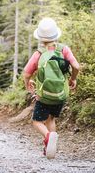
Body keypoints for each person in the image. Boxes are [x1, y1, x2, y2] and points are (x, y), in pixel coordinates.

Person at [22, 17, 80, 159]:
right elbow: (76, 66)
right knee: (51, 119)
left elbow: (26, 73)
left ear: (41, 38)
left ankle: (48, 137)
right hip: (60, 94)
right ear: (56, 35)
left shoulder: (39, 53)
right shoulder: (64, 50)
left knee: (37, 121)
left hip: (43, 95)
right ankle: (49, 147)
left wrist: (28, 84)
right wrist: (73, 79)